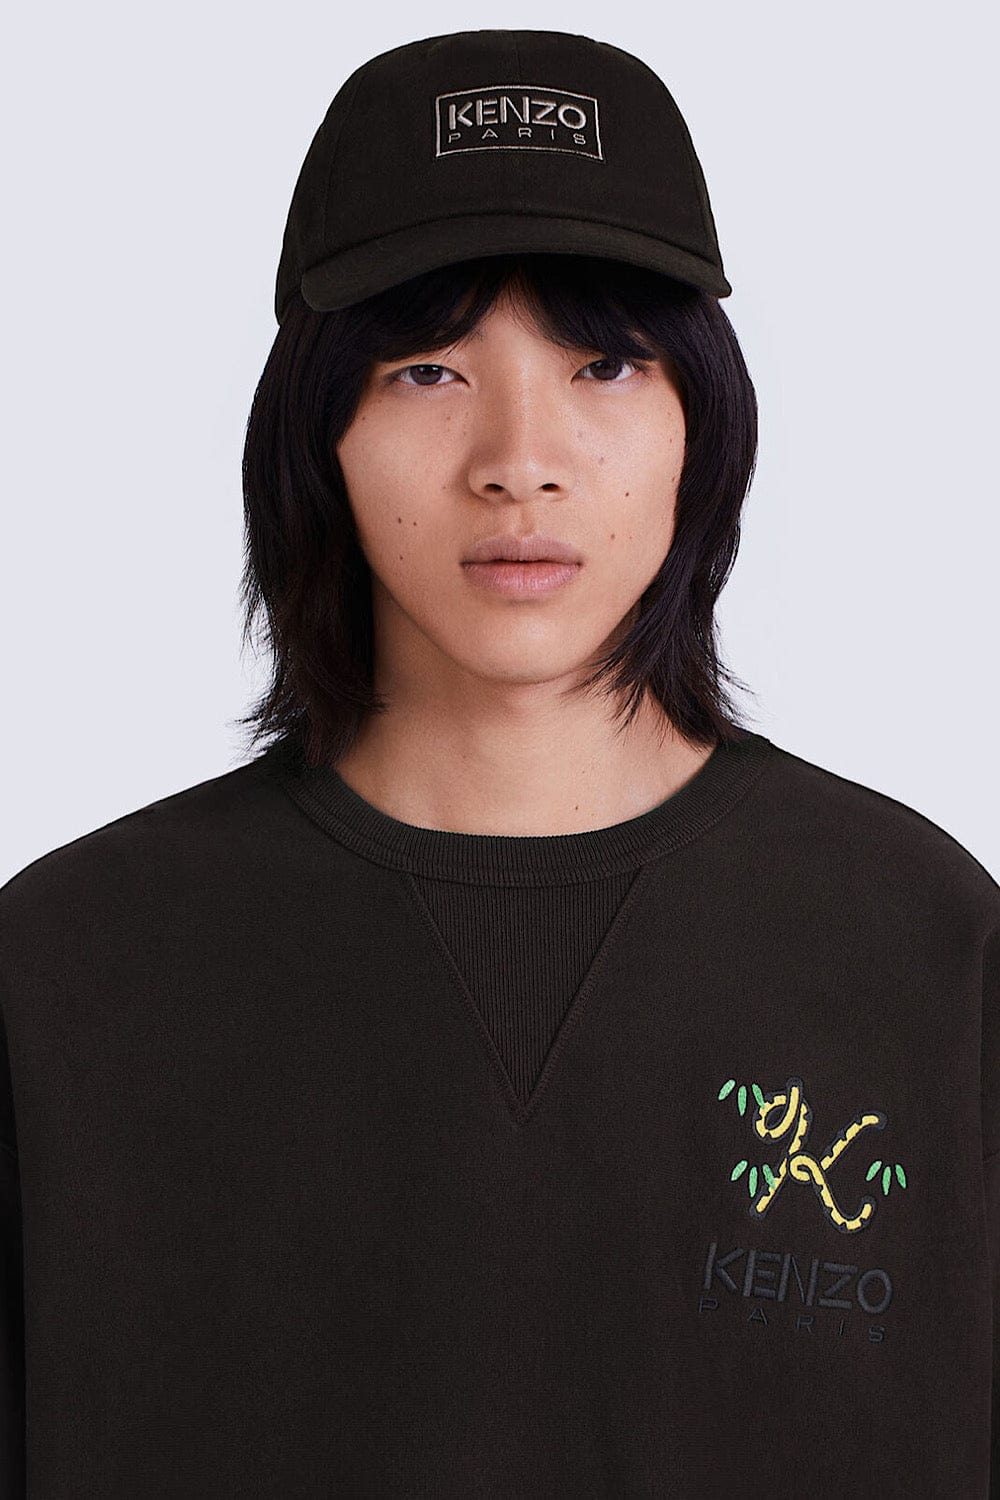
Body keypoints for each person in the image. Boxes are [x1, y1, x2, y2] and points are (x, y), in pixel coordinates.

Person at [1, 26, 998, 1498]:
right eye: (426, 370)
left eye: (605, 363)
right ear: (318, 435)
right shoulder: (69, 967)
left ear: (701, 423)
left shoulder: (926, 947)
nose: (519, 459)